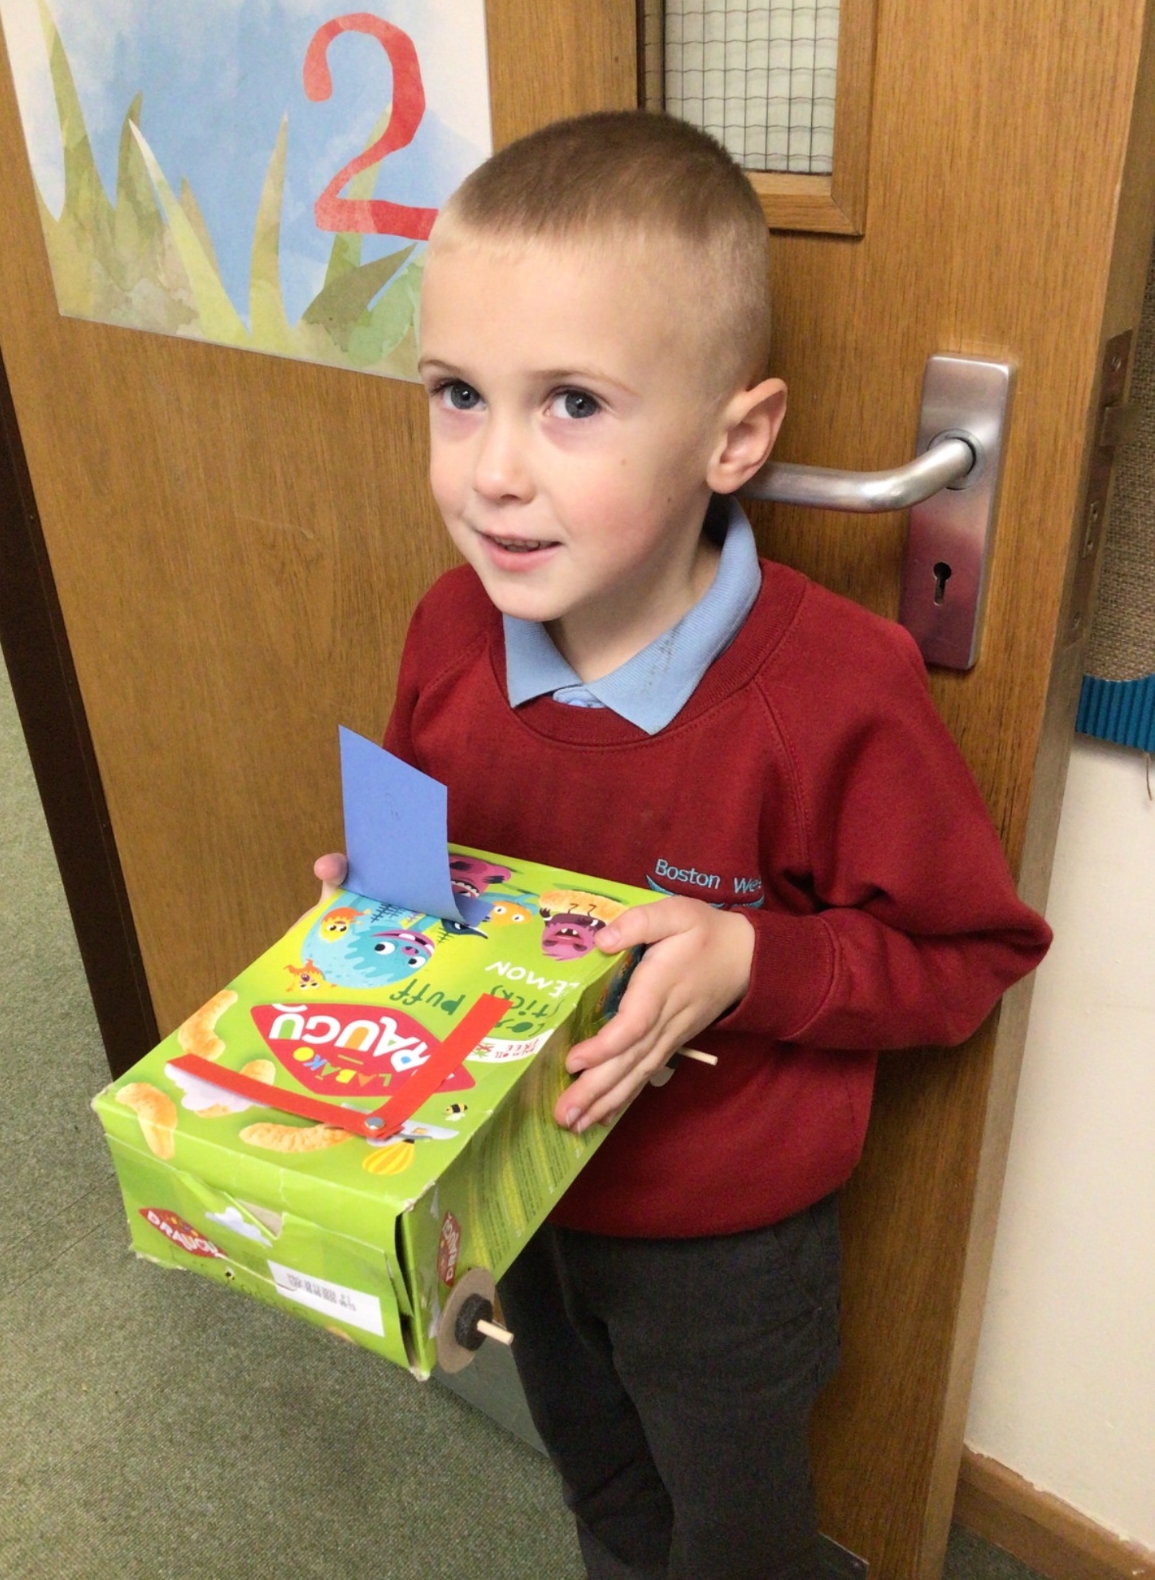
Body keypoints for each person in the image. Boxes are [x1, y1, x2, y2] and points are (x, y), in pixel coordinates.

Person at [316, 110, 1051, 1580]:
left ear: (735, 439)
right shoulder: (451, 629)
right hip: (520, 1189)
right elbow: (441, 873)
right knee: (600, 1486)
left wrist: (750, 962)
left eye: (573, 402)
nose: (493, 471)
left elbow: (973, 954)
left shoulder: (834, 691)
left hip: (726, 1248)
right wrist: (380, 914)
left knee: (734, 1534)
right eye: (457, 394)